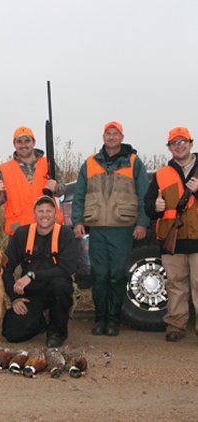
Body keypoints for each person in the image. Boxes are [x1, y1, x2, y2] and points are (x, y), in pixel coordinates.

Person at [72, 121, 149, 336]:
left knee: (117, 274)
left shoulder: (134, 162)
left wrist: (142, 222)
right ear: (103, 137)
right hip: (97, 228)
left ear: (122, 137)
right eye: (108, 133)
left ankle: (114, 320)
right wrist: (78, 221)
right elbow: (79, 195)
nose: (112, 137)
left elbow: (144, 195)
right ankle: (100, 319)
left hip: (122, 228)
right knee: (99, 275)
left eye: (116, 134)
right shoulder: (89, 163)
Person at [144, 126, 198, 342]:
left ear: (191, 143)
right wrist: (155, 207)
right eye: (174, 143)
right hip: (172, 240)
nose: (179, 145)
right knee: (175, 285)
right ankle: (176, 325)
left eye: (183, 141)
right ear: (169, 148)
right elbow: (147, 207)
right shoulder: (161, 174)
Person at [2, 195, 77, 347]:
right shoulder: (22, 234)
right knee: (11, 332)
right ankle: (40, 321)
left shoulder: (65, 234)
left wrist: (32, 275)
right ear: (34, 214)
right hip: (31, 293)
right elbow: (5, 267)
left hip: (56, 290)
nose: (44, 215)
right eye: (40, 211)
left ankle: (56, 331)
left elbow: (68, 268)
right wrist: (14, 297)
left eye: (48, 211)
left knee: (61, 286)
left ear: (55, 214)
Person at [0, 126, 65, 236]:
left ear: (33, 143)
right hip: (19, 230)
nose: (23, 145)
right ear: (14, 144)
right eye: (19, 141)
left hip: (47, 226)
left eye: (27, 141)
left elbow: (62, 190)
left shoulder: (48, 164)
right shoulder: (5, 169)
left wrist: (56, 188)